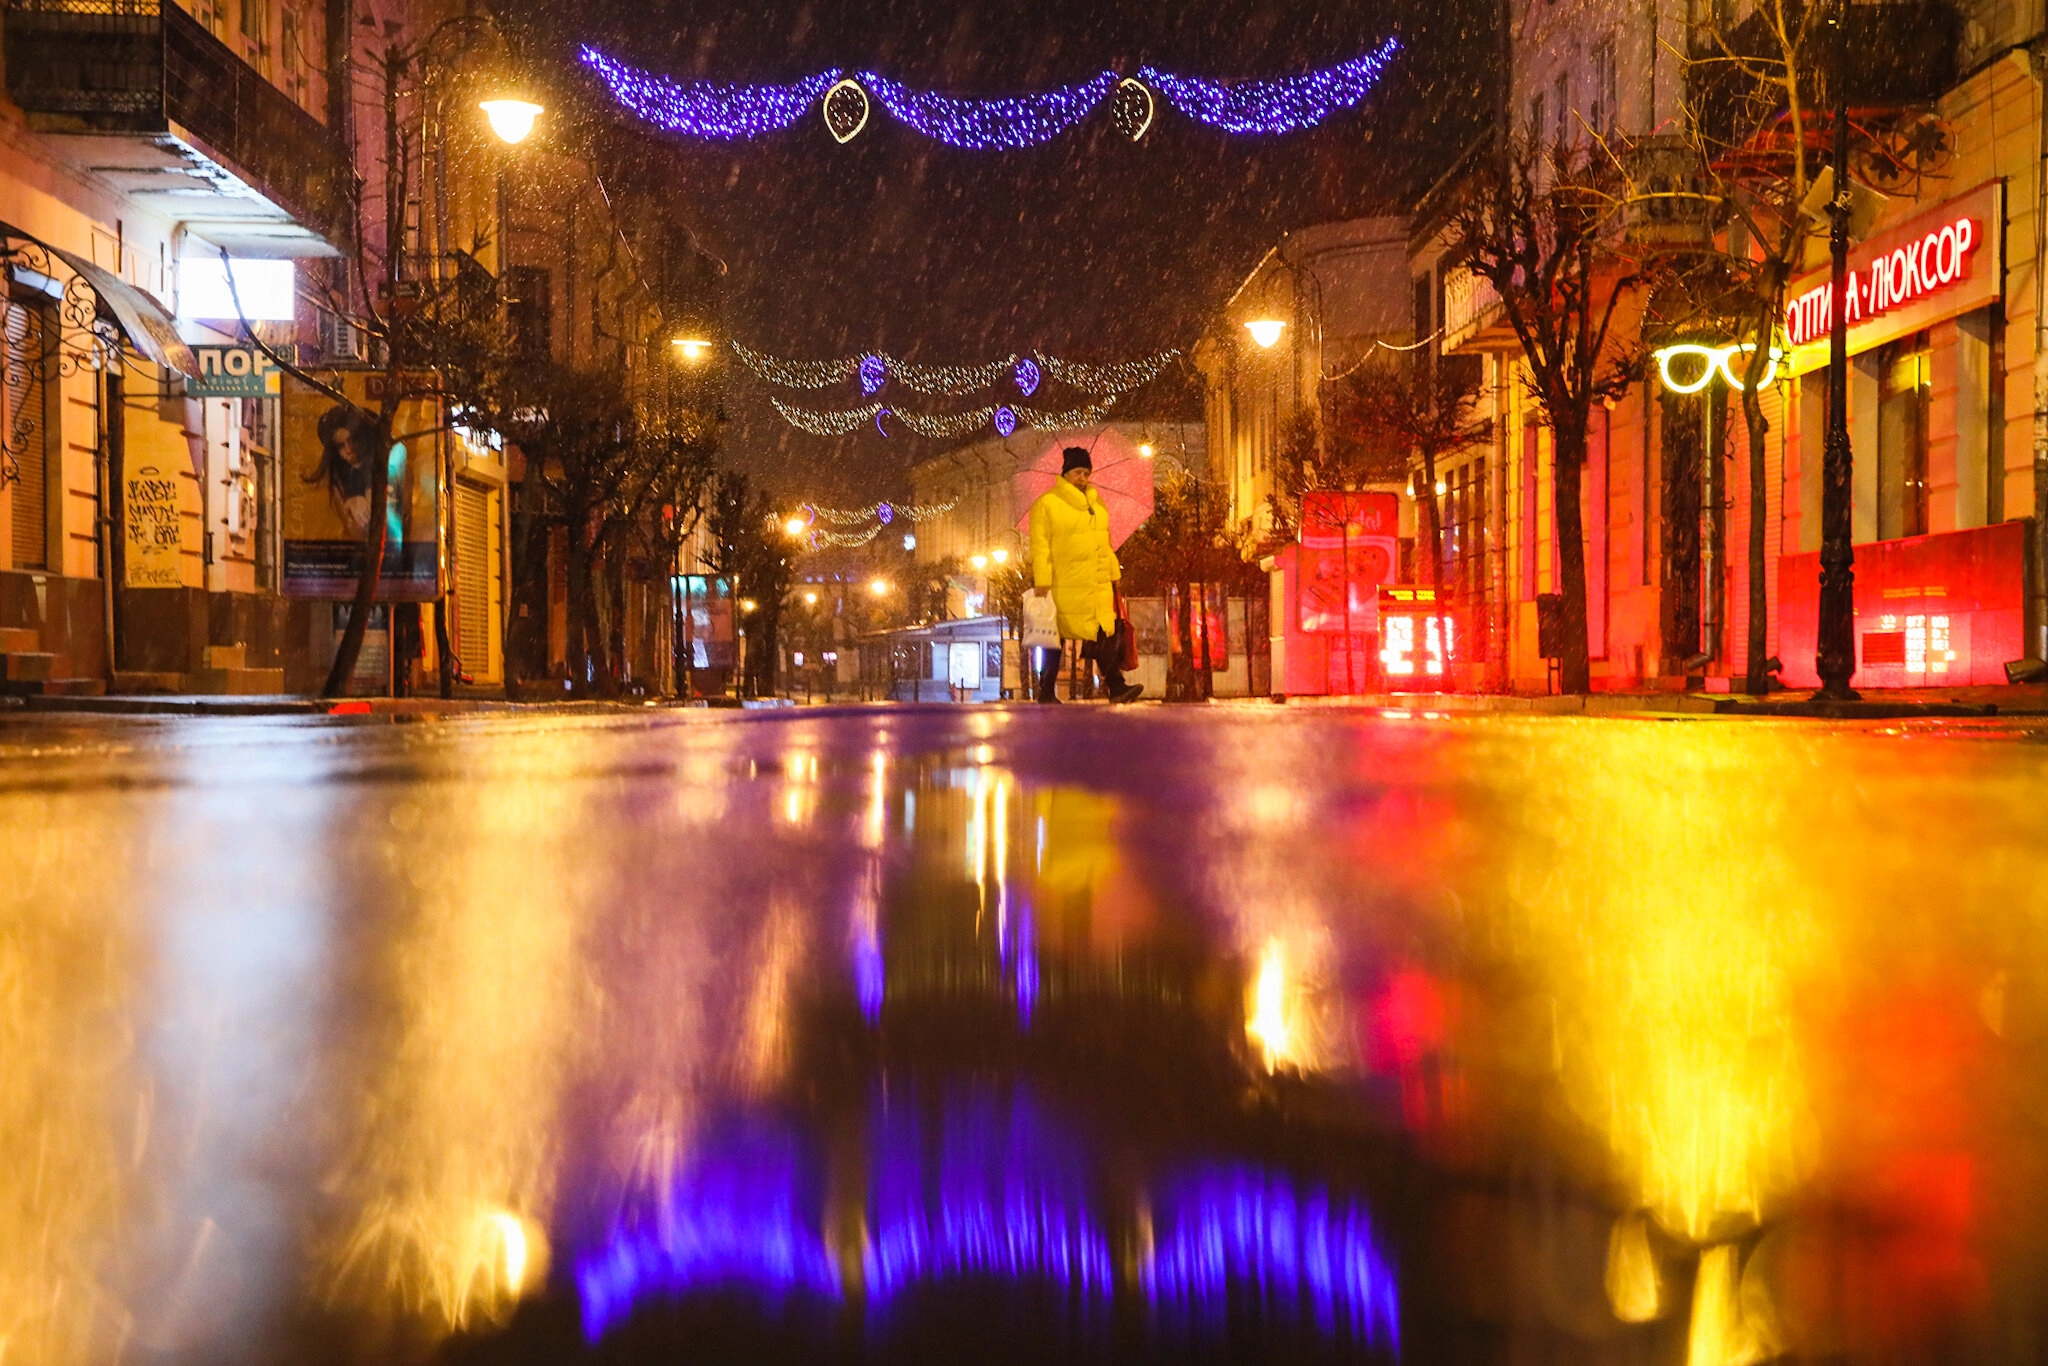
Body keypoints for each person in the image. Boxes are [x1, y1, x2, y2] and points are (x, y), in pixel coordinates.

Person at [1028, 446, 1143, 704]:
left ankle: (1117, 686)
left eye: (1087, 473)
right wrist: (1043, 580)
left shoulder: (1097, 504)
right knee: (1053, 636)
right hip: (1063, 584)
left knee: (1103, 635)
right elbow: (1040, 545)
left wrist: (1114, 574)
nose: (1083, 478)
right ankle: (1046, 690)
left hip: (1096, 583)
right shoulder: (1047, 504)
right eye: (1078, 472)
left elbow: (1106, 543)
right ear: (1066, 473)